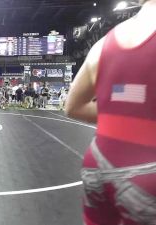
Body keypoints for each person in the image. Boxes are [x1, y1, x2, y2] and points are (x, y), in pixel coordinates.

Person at [65, 1, 156, 224]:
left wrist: (125, 111)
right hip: (149, 171)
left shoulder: (103, 44)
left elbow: (72, 106)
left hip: (97, 165)